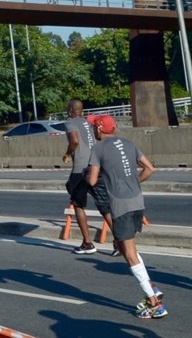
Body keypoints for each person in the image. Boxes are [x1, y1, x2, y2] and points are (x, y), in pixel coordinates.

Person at [85, 116, 166, 319]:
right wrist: (133, 182)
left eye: (94, 127)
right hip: (138, 201)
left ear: (99, 130)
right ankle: (150, 286)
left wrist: (87, 176)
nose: (93, 130)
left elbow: (93, 180)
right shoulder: (129, 143)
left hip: (120, 205)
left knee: (128, 253)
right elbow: (150, 168)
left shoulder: (98, 149)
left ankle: (153, 302)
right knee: (125, 247)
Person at [61, 99, 100, 254]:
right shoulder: (87, 123)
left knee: (78, 204)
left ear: (70, 110)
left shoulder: (70, 123)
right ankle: (119, 243)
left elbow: (74, 141)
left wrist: (67, 154)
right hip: (95, 166)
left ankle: (87, 243)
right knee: (104, 205)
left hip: (80, 169)